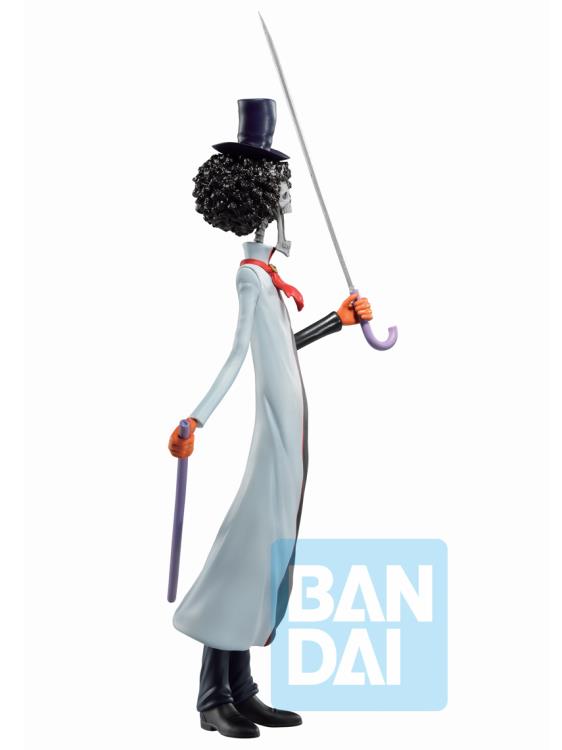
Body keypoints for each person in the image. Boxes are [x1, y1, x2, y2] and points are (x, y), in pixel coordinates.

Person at [168, 99, 372, 738]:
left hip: (292, 439)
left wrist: (336, 322)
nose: (289, 206)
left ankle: (241, 687)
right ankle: (212, 696)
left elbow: (280, 347)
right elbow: (237, 358)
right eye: (283, 193)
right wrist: (195, 420)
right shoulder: (252, 280)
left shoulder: (268, 278)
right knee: (245, 554)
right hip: (274, 434)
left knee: (265, 556)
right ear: (263, 202)